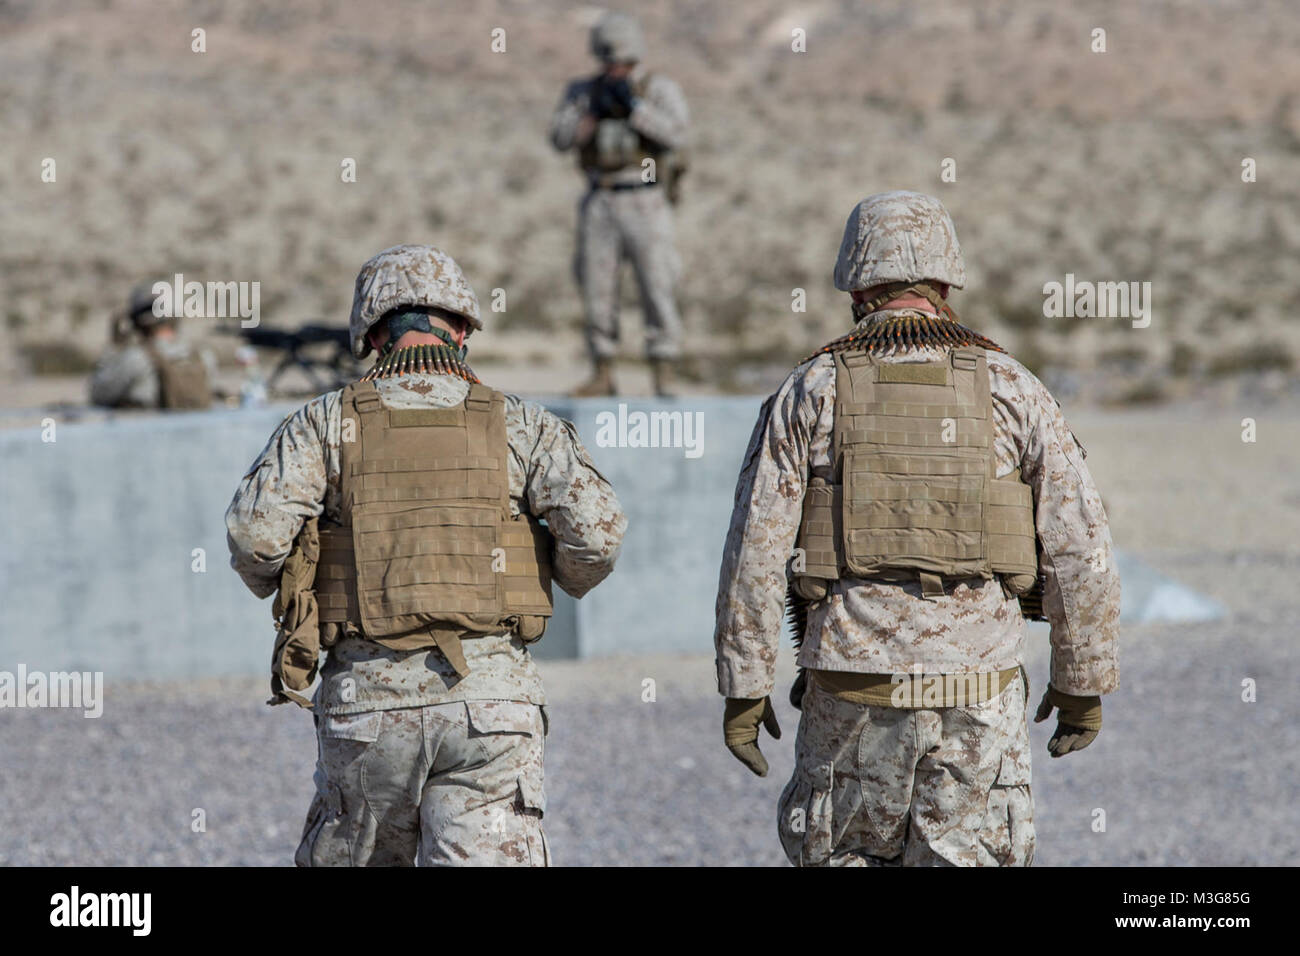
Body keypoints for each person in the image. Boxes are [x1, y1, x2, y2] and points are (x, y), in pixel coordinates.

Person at [713, 191, 1121, 866]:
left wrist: (743, 686)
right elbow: (1081, 548)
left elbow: (754, 548)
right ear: (946, 282)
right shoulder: (1013, 386)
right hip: (977, 692)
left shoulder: (810, 389)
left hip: (851, 692)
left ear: (854, 283)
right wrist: (1082, 681)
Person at [225, 244, 627, 866]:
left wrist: (294, 584)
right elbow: (597, 539)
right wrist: (551, 576)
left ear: (372, 333)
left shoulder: (324, 423)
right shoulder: (521, 423)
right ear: (461, 328)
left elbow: (256, 538)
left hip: (367, 708)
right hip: (490, 708)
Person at [549, 11, 689, 397]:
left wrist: (635, 111)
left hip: (645, 197)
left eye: (623, 60)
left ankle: (664, 370)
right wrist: (591, 113)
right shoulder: (582, 92)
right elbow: (560, 138)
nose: (615, 67)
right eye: (610, 59)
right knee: (597, 289)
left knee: (657, 284)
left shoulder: (657, 89)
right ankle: (602, 370)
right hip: (601, 198)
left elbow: (677, 134)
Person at [89, 284, 215, 409]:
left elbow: (98, 395)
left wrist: (113, 347)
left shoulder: (135, 359)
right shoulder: (203, 356)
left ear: (136, 321)